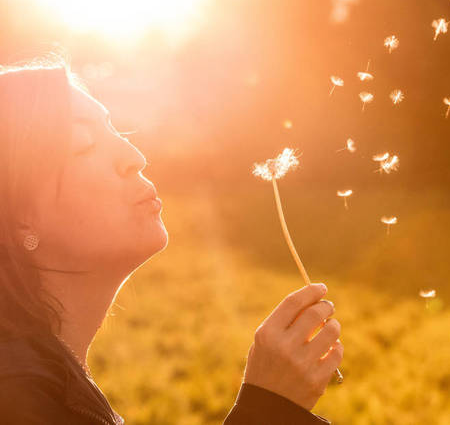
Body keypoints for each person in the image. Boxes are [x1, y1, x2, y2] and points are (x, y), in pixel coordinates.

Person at [0, 58, 343, 424]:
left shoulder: (40, 378)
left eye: (116, 132)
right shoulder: (16, 395)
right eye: (84, 144)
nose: (136, 157)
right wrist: (269, 410)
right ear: (20, 221)